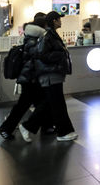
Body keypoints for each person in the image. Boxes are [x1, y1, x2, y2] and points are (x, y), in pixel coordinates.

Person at [18, 11, 77, 143]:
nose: (61, 21)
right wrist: (60, 55)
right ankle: (63, 132)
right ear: (54, 21)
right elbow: (42, 54)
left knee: (52, 103)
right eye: (59, 19)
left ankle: (28, 126)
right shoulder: (48, 35)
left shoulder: (51, 34)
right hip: (50, 74)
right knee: (57, 104)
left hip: (53, 73)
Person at [0, 21, 47, 140]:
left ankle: (11, 128)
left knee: (25, 105)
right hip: (30, 80)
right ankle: (13, 127)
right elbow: (36, 61)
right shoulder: (33, 43)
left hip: (28, 79)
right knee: (30, 105)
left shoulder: (29, 40)